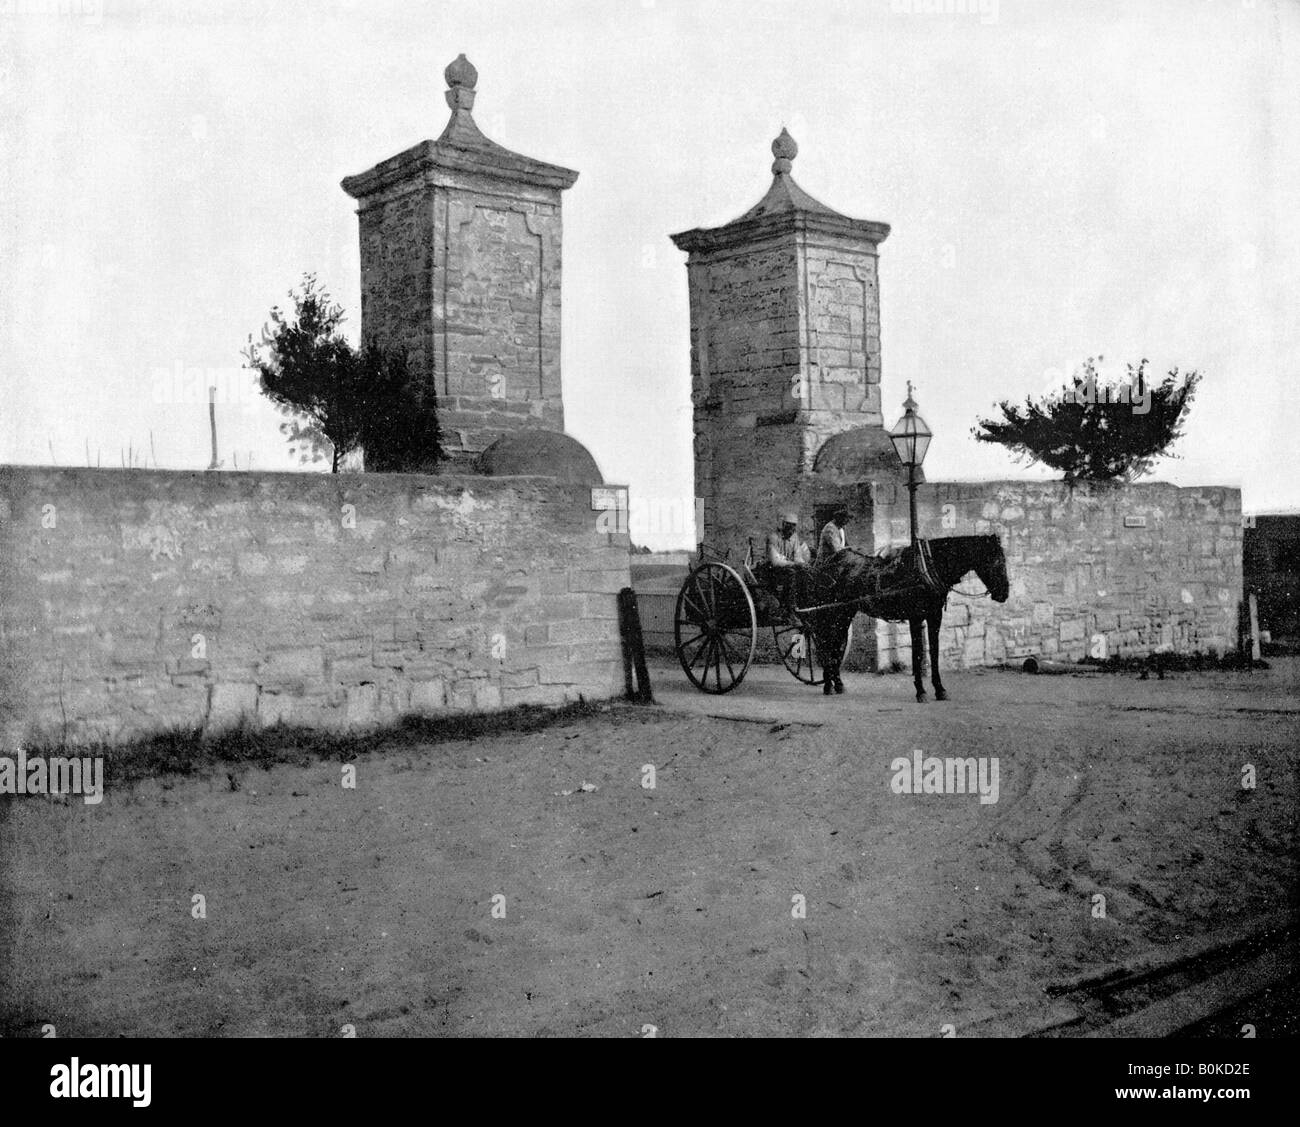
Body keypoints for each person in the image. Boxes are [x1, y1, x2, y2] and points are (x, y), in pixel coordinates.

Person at [766, 512, 810, 608]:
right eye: (789, 527)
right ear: (783, 525)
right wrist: (794, 564)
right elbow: (775, 561)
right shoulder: (773, 537)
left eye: (794, 527)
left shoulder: (794, 537)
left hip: (787, 567)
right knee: (791, 574)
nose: (792, 530)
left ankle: (804, 605)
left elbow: (797, 556)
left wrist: (802, 564)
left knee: (805, 573)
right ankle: (789, 608)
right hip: (772, 571)